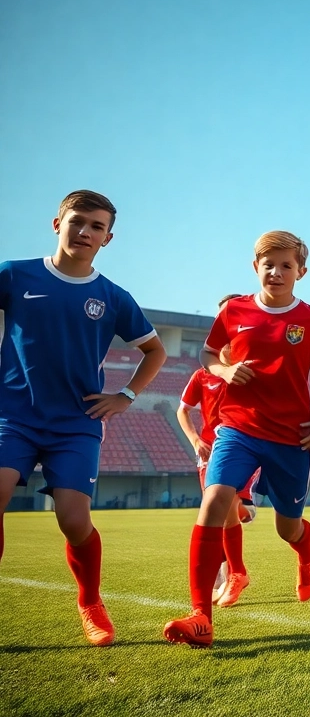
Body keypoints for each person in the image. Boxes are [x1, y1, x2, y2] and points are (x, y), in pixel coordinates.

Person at [164, 230, 310, 648]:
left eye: (286, 265)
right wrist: (224, 371)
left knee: (288, 528)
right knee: (215, 500)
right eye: (268, 264)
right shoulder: (233, 311)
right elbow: (208, 356)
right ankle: (201, 616)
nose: (277, 271)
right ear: (255, 267)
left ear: (301, 271)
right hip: (238, 428)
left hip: (290, 438)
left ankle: (305, 551)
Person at [0, 190, 166, 646]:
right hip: (12, 415)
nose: (85, 231)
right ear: (57, 224)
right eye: (77, 221)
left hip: (76, 422)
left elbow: (155, 350)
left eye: (96, 226)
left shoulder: (112, 296)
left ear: (107, 239)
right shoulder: (14, 275)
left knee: (73, 521)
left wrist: (126, 395)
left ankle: (90, 600)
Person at [177, 292, 262, 607]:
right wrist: (196, 440)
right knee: (221, 513)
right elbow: (181, 411)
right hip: (209, 452)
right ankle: (230, 573)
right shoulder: (203, 374)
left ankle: (233, 573)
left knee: (221, 511)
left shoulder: (249, 369)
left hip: (241, 447)